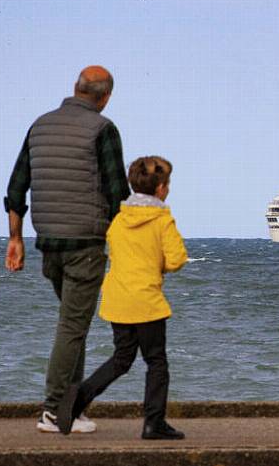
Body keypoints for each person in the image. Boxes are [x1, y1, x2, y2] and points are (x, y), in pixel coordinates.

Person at [5, 66, 129, 433]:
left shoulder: (39, 126)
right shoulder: (102, 129)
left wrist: (15, 239)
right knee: (72, 327)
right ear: (105, 97)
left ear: (75, 88)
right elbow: (116, 191)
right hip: (85, 245)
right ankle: (54, 410)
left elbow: (16, 188)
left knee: (73, 327)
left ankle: (71, 410)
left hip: (48, 246)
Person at [57, 156, 188, 440]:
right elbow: (177, 259)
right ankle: (154, 424)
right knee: (157, 362)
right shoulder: (162, 220)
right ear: (161, 188)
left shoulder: (118, 219)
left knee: (122, 359)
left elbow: (116, 252)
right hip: (146, 301)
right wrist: (157, 264)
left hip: (117, 299)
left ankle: (79, 396)